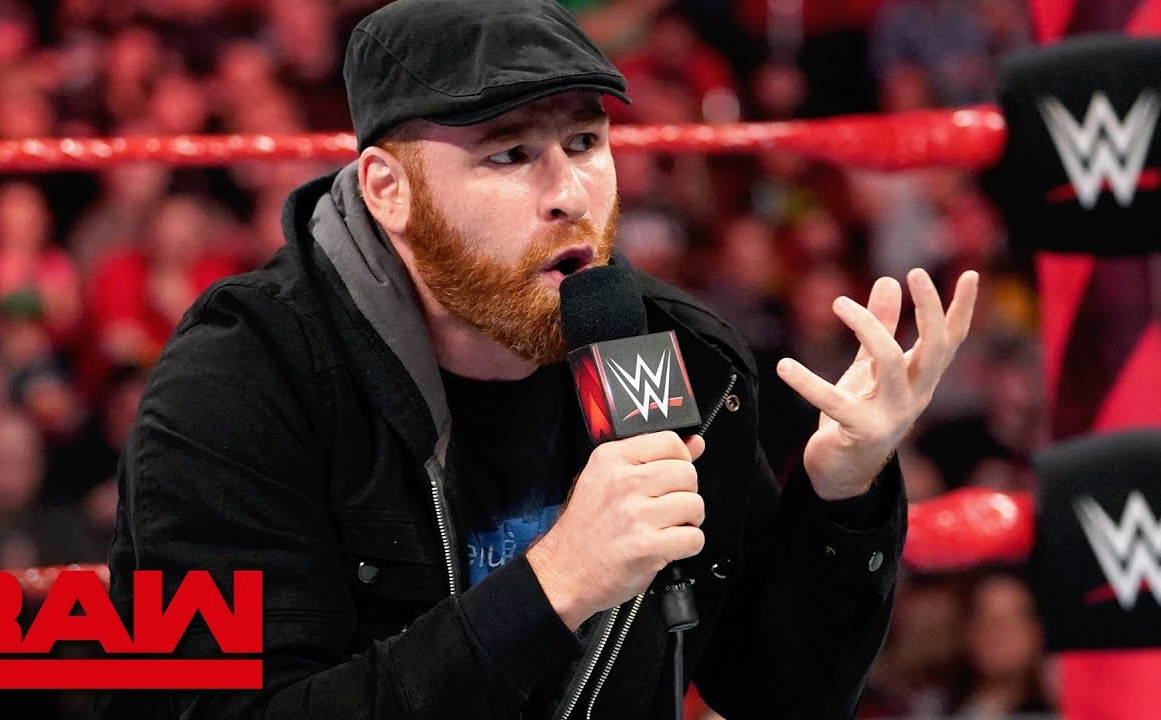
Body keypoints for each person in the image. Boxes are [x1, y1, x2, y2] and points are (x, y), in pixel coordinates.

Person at [97, 1, 979, 718]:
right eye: (511, 154)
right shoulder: (242, 383)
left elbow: (780, 696)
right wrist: (553, 584)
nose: (569, 195)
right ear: (389, 191)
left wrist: (844, 494)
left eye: (586, 143)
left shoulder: (672, 355)